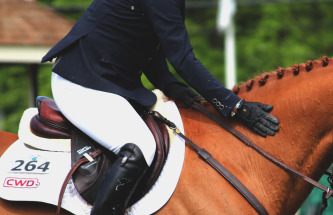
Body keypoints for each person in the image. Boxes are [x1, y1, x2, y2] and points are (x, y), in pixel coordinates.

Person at [42, 0, 279, 214]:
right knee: (139, 147)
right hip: (82, 82)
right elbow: (183, 60)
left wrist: (173, 87)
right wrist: (237, 107)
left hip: (107, 81)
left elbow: (149, 51)